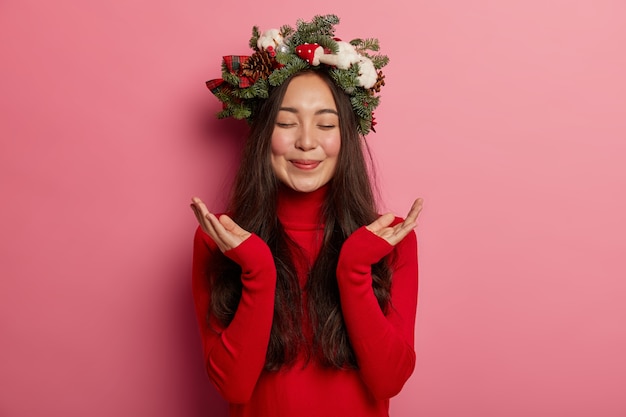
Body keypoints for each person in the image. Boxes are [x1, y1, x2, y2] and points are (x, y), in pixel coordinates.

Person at [190, 15, 423, 417]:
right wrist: (257, 270)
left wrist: (353, 267)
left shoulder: (388, 240)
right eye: (286, 122)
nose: (306, 141)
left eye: (326, 124)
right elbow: (233, 386)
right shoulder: (222, 239)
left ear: (346, 138)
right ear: (264, 135)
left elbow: (389, 381)